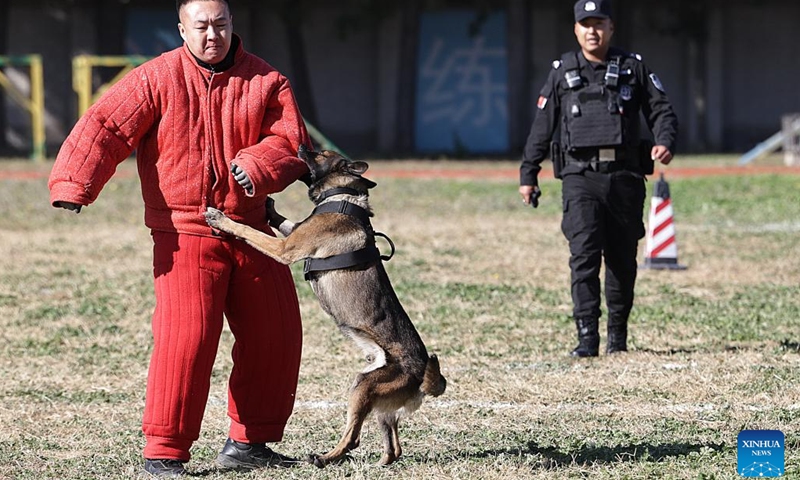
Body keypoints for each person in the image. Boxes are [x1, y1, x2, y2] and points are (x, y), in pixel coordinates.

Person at [49, 0, 311, 476]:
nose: (213, 35)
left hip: (252, 229)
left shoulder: (266, 80)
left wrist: (257, 166)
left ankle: (250, 443)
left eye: (221, 25)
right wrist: (74, 183)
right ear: (182, 29)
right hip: (184, 232)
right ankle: (165, 451)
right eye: (202, 26)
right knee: (186, 340)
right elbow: (105, 126)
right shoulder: (155, 78)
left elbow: (290, 140)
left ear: (233, 26)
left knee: (277, 334)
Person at [519, 0, 678, 358]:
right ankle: (587, 339)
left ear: (611, 27)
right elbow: (542, 127)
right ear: (576, 29)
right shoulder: (562, 72)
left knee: (622, 259)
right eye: (585, 24)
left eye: (599, 23)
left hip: (624, 176)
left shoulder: (632, 68)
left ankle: (617, 339)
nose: (593, 30)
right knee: (584, 257)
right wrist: (529, 173)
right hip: (580, 176)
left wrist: (665, 141)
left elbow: (662, 110)